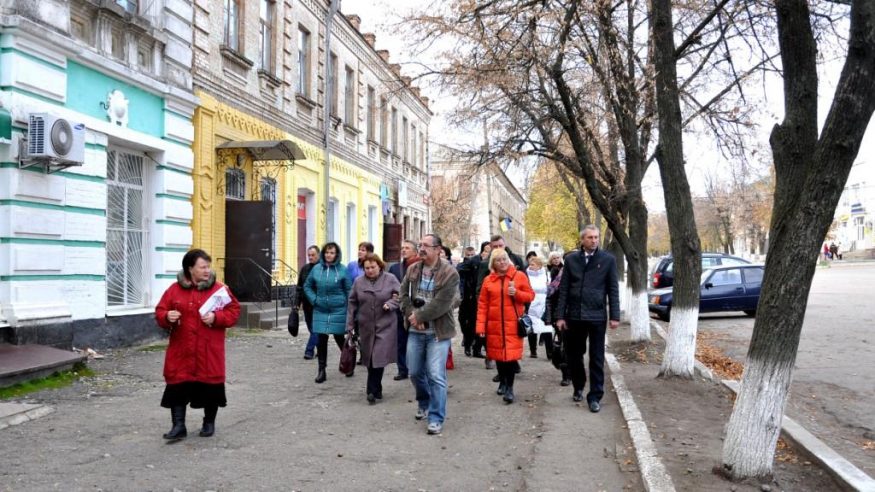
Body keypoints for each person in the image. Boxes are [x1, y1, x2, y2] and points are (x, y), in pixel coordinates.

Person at [155, 249, 241, 441]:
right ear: (190, 269)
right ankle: (178, 426)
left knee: (211, 387)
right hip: (182, 349)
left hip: (209, 349)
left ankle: (208, 423)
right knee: (177, 386)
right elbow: (160, 311)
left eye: (208, 266)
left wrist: (217, 317)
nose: (207, 270)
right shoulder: (174, 290)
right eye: (203, 267)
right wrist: (166, 316)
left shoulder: (219, 289)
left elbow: (234, 311)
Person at [555, 226, 620, 413]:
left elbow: (613, 290)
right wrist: (560, 316)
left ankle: (595, 396)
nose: (594, 240)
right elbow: (564, 289)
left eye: (596, 237)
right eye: (590, 237)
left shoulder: (607, 260)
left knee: (597, 358)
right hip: (574, 316)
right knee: (574, 355)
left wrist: (615, 316)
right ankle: (578, 386)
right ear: (582, 239)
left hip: (597, 316)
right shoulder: (571, 260)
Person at [399, 233, 460, 435]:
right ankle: (423, 403)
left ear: (438, 249)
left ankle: (436, 417)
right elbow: (403, 295)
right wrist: (411, 315)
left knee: (436, 375)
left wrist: (422, 316)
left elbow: (442, 303)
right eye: (420, 245)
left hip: (438, 332)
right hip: (415, 330)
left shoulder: (450, 273)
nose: (422, 248)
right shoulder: (413, 269)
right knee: (415, 372)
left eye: (426, 245)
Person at [476, 248, 535, 403]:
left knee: (510, 358)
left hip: (513, 325)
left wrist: (516, 293)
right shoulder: (488, 280)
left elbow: (530, 296)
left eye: (504, 259)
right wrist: (480, 327)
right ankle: (502, 380)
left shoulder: (519, 276)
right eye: (498, 260)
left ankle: (509, 388)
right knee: (499, 357)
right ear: (493, 263)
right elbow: (483, 305)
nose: (502, 262)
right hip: (494, 326)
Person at [346, 253, 401, 404]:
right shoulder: (358, 282)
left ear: (379, 266)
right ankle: (377, 388)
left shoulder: (390, 279)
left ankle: (371, 390)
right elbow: (352, 303)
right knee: (369, 359)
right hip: (365, 326)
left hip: (386, 325)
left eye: (372, 267)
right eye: (366, 268)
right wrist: (349, 326)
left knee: (378, 356)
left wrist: (390, 304)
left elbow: (400, 295)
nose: (369, 270)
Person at [304, 242, 352, 384]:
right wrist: (314, 299)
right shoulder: (317, 269)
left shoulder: (343, 270)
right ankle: (321, 370)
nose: (329, 255)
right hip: (320, 309)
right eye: (327, 252)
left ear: (336, 254)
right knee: (321, 339)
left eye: (332, 253)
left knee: (339, 338)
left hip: (339, 309)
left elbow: (349, 290)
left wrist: (350, 308)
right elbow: (307, 286)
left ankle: (348, 363)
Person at [476, 235, 526, 372]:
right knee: (496, 347)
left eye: (500, 245)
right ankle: (501, 375)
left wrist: (521, 306)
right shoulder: (485, 266)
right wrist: (482, 319)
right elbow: (480, 293)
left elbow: (527, 291)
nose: (498, 249)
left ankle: (508, 380)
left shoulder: (516, 262)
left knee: (510, 349)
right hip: (494, 315)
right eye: (495, 246)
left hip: (513, 316)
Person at [388, 240, 421, 380]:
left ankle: (417, 369)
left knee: (416, 341)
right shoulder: (395, 268)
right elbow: (388, 285)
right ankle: (402, 370)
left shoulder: (421, 268)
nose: (403, 250)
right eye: (402, 248)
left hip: (417, 310)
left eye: (407, 248)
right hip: (399, 310)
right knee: (400, 341)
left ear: (415, 251)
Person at [526, 256, 554, 359]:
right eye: (530, 264)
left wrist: (549, 286)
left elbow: (552, 287)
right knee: (531, 328)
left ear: (539, 265)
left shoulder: (546, 274)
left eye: (533, 264)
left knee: (546, 327)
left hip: (544, 304)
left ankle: (550, 352)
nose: (530, 266)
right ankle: (533, 351)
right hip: (531, 303)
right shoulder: (526, 274)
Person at [297, 245, 321, 360]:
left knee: (315, 328)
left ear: (319, 255)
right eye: (309, 255)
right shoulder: (305, 268)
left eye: (313, 255)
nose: (310, 257)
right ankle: (320, 349)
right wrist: (297, 303)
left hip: (319, 304)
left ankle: (309, 351)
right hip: (306, 304)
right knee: (311, 328)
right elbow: (299, 287)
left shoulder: (323, 269)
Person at [457, 245, 480, 357]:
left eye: (472, 255)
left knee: (472, 322)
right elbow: (459, 270)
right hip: (464, 296)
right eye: (468, 255)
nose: (470, 257)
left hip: (473, 297)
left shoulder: (478, 265)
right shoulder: (462, 265)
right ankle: (467, 337)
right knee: (461, 319)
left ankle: (468, 344)